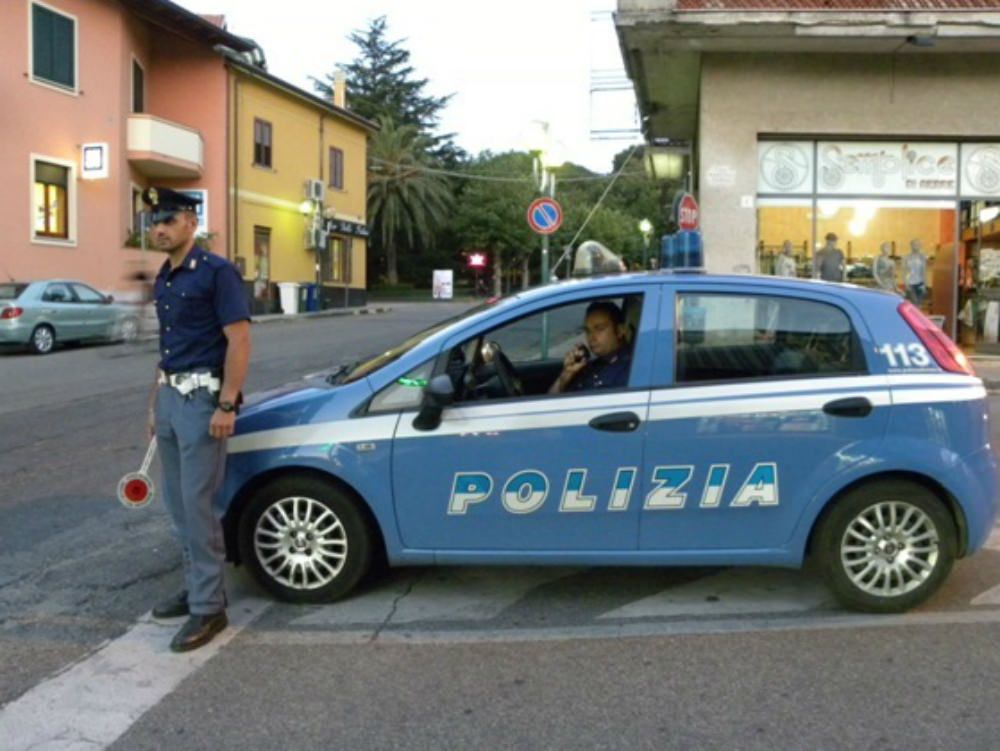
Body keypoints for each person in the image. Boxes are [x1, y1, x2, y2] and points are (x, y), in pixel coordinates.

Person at [142, 187, 252, 653]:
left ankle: (210, 608)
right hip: (170, 397)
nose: (159, 228)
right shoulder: (164, 278)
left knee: (199, 504)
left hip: (203, 400)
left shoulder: (216, 273)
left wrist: (227, 403)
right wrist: (154, 402)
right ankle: (196, 587)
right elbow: (168, 348)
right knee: (176, 504)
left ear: (191, 221)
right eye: (154, 221)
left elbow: (239, 339)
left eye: (168, 219)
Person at [550, 301, 631, 393]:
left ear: (620, 330)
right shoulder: (596, 363)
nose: (591, 337)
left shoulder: (628, 372)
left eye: (599, 329)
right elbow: (548, 402)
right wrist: (566, 375)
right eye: (588, 331)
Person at [903, 238, 928, 306]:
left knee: (919, 304)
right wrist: (905, 284)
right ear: (911, 246)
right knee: (914, 302)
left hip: (920, 283)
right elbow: (904, 271)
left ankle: (916, 316)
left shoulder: (922, 257)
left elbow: (924, 271)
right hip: (910, 283)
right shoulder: (906, 257)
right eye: (914, 244)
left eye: (917, 244)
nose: (916, 246)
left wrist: (925, 285)